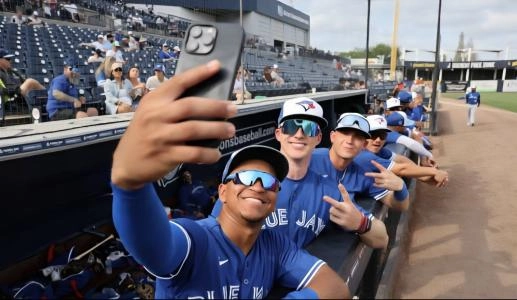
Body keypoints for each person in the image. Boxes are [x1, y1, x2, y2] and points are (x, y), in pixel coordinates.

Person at [111, 61, 350, 298]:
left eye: (268, 182)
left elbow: (335, 287)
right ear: (223, 192)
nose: (257, 185)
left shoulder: (275, 246)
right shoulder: (198, 239)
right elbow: (155, 246)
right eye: (246, 177)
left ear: (275, 197)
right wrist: (130, 187)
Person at [212, 98, 388, 249]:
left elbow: (382, 238)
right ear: (279, 134)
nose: (299, 134)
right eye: (291, 126)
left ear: (318, 138)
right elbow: (211, 236)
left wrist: (361, 223)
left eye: (309, 128)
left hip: (296, 277)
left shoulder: (329, 191)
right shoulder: (248, 182)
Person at [310, 113, 410, 212]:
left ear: (364, 144)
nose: (349, 140)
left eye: (358, 136)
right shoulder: (309, 159)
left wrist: (401, 188)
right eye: (345, 133)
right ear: (333, 137)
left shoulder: (363, 174)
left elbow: (401, 206)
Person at [354, 115, 448, 188]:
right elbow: (402, 169)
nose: (378, 140)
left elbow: (402, 161)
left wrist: (428, 177)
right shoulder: (361, 154)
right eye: (373, 134)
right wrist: (433, 171)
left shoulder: (380, 151)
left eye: (382, 135)